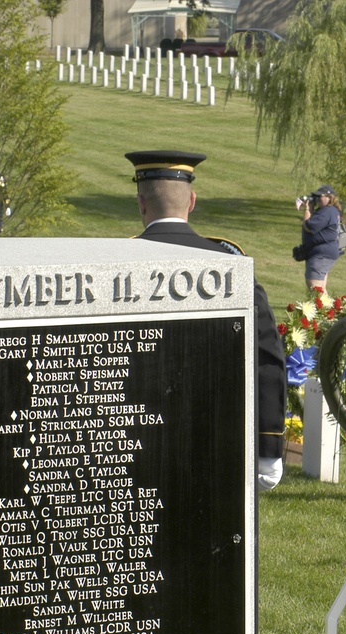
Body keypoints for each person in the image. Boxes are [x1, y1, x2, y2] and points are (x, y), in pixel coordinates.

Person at [124, 149, 287, 489]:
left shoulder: (116, 267)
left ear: (141, 203)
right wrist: (268, 445)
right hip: (217, 443)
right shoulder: (231, 263)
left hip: (134, 450)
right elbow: (266, 356)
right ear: (192, 201)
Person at [299, 184, 342, 291]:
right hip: (323, 253)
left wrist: (307, 210)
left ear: (330, 197)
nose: (317, 199)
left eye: (320, 197)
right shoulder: (329, 211)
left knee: (315, 291)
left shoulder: (327, 211)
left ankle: (325, 308)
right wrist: (312, 210)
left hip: (320, 255)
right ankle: (328, 308)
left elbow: (309, 226)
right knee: (321, 291)